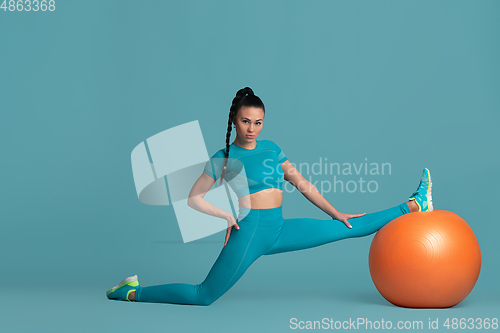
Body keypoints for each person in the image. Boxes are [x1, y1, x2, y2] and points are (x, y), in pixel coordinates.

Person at [106, 87, 433, 306]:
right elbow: (194, 198)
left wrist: (336, 212)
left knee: (349, 227)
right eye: (246, 121)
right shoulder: (224, 156)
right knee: (203, 296)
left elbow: (302, 184)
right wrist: (225, 216)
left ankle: (414, 204)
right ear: (235, 119)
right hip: (249, 234)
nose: (252, 128)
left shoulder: (272, 149)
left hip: (278, 229)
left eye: (258, 122)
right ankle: (131, 292)